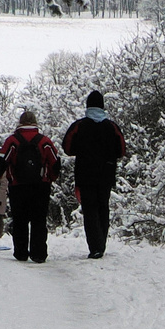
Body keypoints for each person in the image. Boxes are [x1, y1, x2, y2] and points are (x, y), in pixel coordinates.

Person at [62, 90, 128, 259]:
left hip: (85, 174)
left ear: (88, 105)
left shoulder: (79, 126)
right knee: (103, 208)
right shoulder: (111, 126)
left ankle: (95, 247)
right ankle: (102, 244)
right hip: (106, 173)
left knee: (90, 210)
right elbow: (121, 150)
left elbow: (68, 148)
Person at [0, 109, 60, 263]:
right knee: (39, 220)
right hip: (41, 186)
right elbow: (55, 163)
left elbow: (0, 164)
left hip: (17, 186)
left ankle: (21, 253)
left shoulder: (12, 141)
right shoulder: (44, 141)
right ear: (35, 123)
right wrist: (50, 178)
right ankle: (39, 254)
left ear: (20, 123)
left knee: (20, 220)